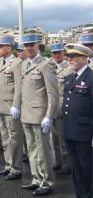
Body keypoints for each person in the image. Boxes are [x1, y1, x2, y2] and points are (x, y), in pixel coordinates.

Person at [20, 34, 59, 196]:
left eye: (32, 45)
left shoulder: (46, 65)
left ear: (38, 46)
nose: (29, 48)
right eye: (26, 45)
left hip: (39, 115)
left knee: (43, 150)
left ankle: (47, 182)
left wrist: (49, 116)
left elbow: (53, 93)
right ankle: (36, 178)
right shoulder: (24, 64)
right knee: (31, 149)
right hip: (26, 114)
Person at [62, 43, 93, 198]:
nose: (69, 59)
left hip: (85, 133)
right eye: (68, 57)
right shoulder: (69, 78)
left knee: (88, 168)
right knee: (76, 169)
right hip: (70, 131)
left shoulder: (91, 78)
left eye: (73, 57)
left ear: (84, 58)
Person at [0, 36, 24, 180]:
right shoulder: (0, 63)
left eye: (1, 46)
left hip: (10, 106)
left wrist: (16, 105)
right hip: (0, 105)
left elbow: (19, 87)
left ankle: (16, 167)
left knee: (14, 138)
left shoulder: (17, 63)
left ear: (9, 48)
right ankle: (8, 164)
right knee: (5, 137)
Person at [50, 43, 72, 175]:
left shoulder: (69, 69)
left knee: (63, 138)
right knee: (54, 138)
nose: (57, 55)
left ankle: (67, 164)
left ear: (64, 53)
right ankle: (58, 161)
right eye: (54, 53)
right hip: (52, 108)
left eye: (59, 53)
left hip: (62, 107)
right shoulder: (50, 67)